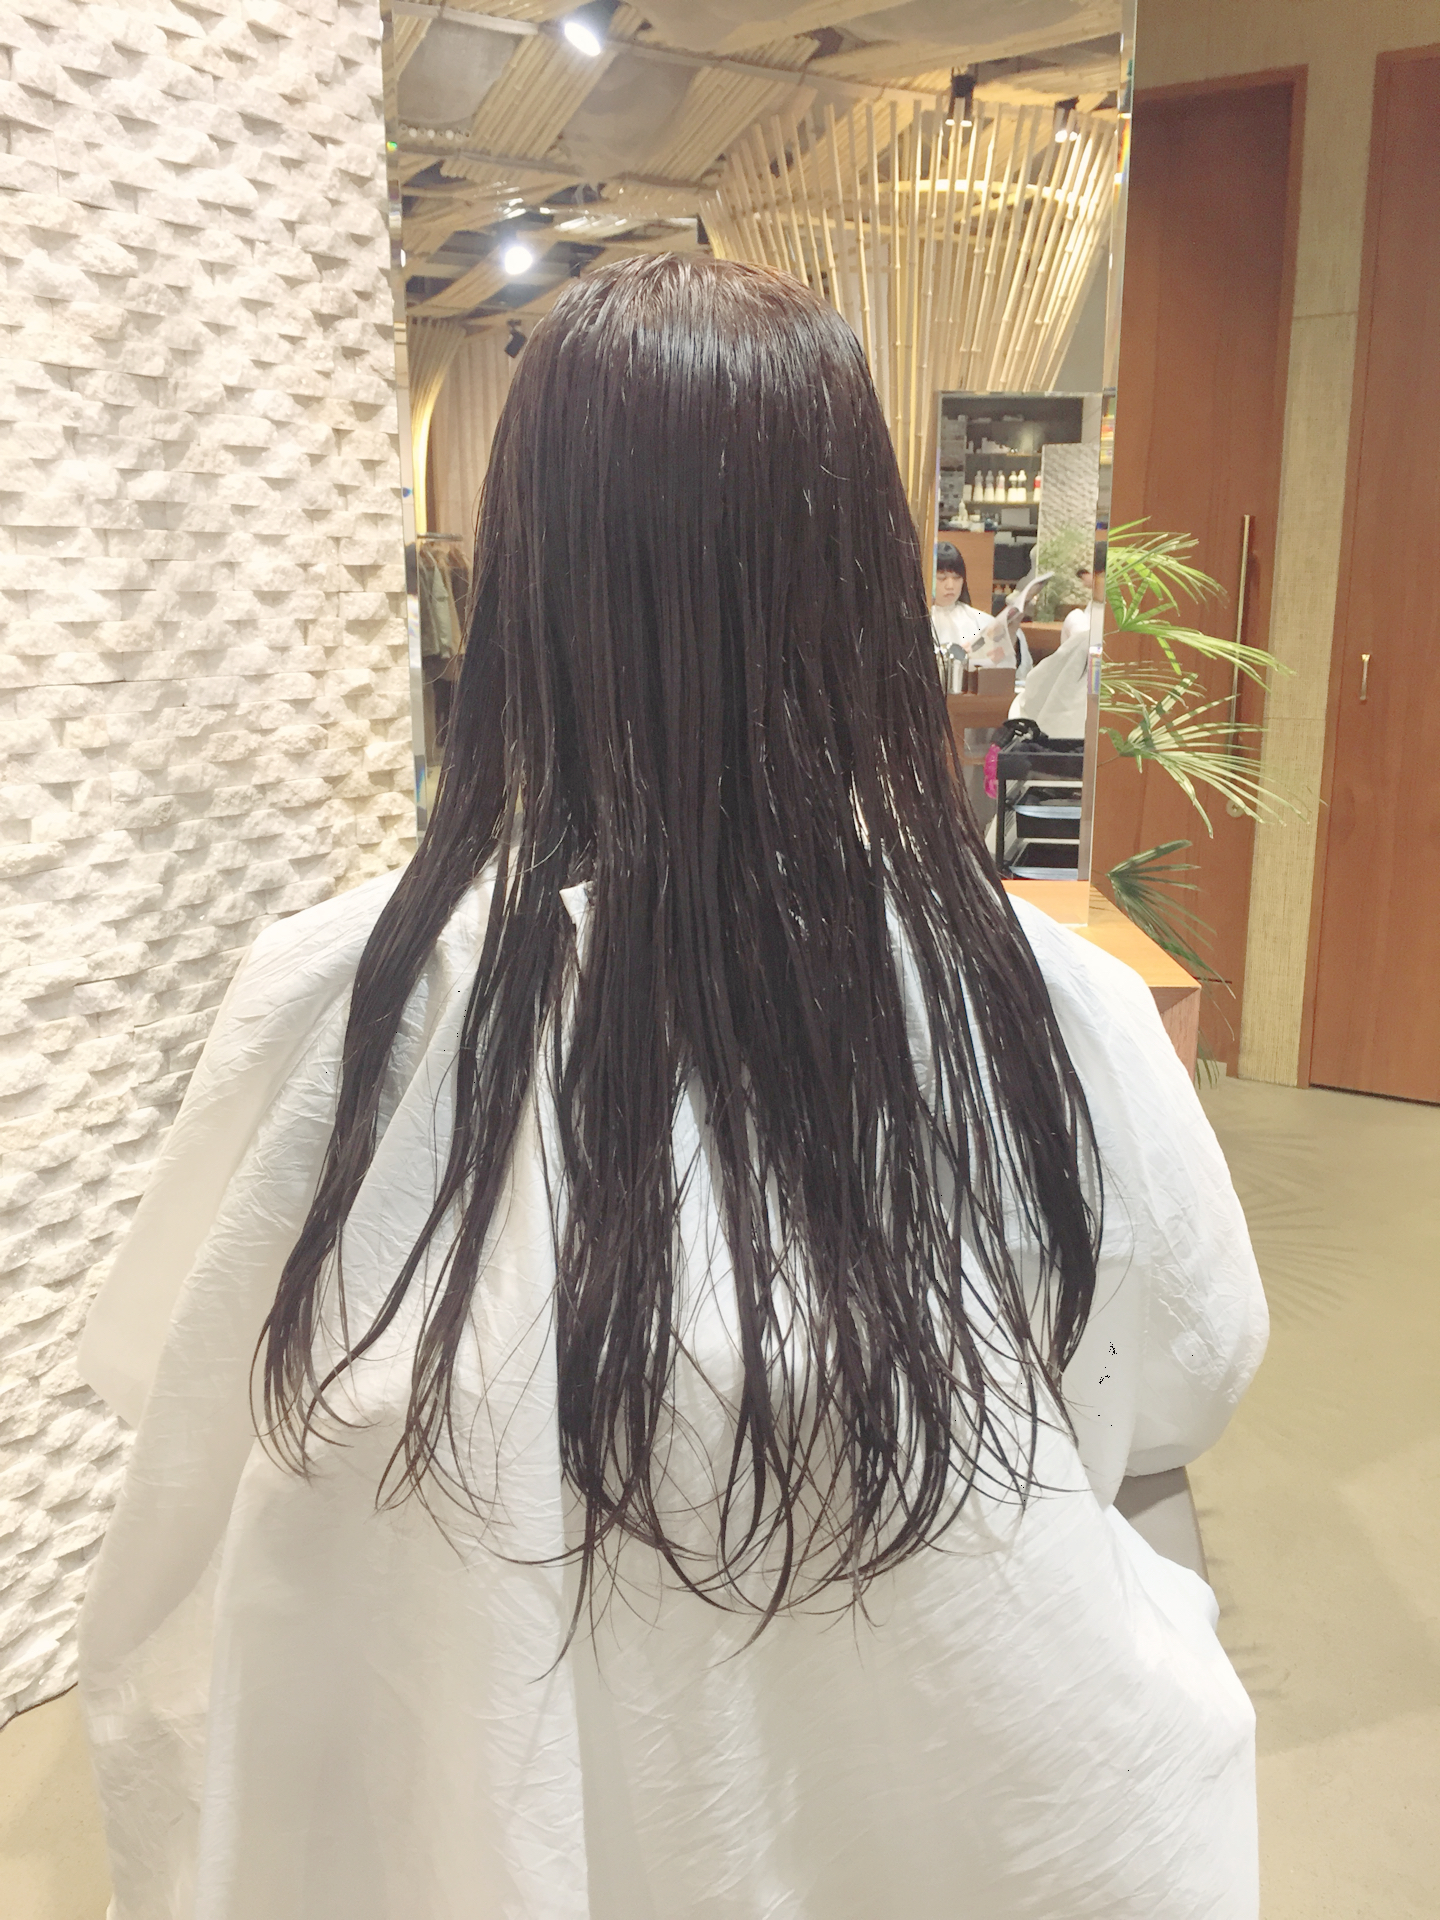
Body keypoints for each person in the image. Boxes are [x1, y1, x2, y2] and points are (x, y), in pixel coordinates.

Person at [78, 258, 1265, 1920]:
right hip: (938, 1826)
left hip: (445, 1832)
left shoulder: (337, 997)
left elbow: (167, 1369)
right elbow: (1181, 1372)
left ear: (528, 576)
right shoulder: (1041, 1003)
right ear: (858, 580)